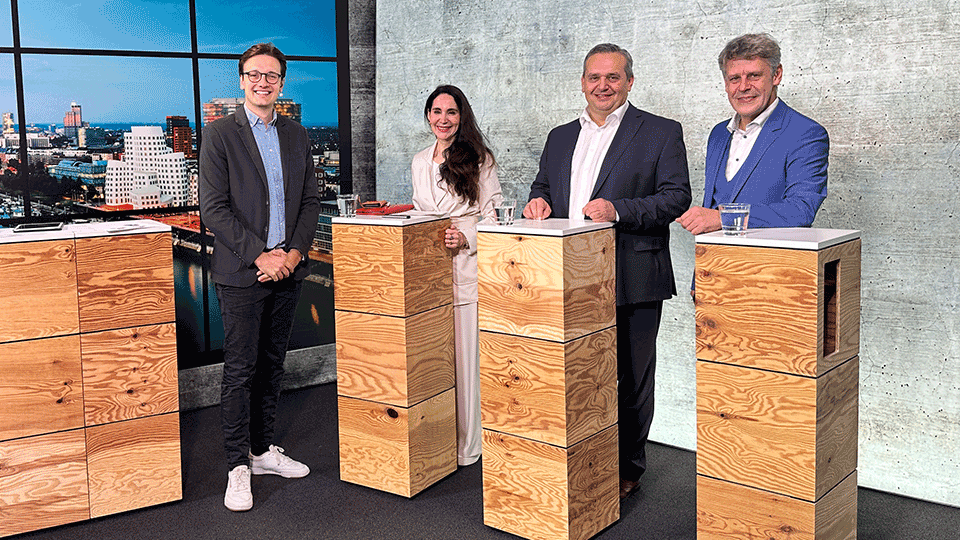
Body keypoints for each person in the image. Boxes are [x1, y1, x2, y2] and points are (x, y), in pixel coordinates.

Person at [523, 44, 691, 499]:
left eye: (613, 78)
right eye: (594, 77)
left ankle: (628, 468)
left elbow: (676, 198)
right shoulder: (560, 135)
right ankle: (581, 462)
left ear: (629, 82)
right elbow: (543, 186)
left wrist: (618, 209)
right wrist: (539, 201)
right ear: (582, 83)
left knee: (632, 376)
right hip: (569, 277)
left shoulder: (660, 131)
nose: (603, 86)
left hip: (633, 273)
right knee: (577, 374)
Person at [199, 42, 320, 512]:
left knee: (272, 365)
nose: (262, 82)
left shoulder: (296, 135)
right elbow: (214, 209)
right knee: (240, 371)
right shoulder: (219, 135)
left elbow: (309, 202)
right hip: (242, 273)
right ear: (241, 79)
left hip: (287, 270)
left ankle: (263, 450)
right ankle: (237, 467)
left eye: (272, 75)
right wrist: (261, 256)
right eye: (254, 74)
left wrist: (291, 253)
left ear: (282, 82)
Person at [411, 85, 503, 467]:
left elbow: (495, 215)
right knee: (432, 362)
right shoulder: (419, 160)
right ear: (428, 115)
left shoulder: (480, 159)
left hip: (466, 268)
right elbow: (419, 211)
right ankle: (438, 442)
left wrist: (466, 236)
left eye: (451, 112)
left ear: (461, 117)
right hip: (427, 276)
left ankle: (469, 446)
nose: (443, 119)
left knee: (466, 362)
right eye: (436, 111)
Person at [676, 33, 828, 237]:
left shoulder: (806, 133)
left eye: (754, 76)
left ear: (777, 75)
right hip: (711, 263)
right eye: (734, 78)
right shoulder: (718, 134)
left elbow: (801, 210)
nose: (743, 87)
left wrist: (723, 217)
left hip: (768, 265)